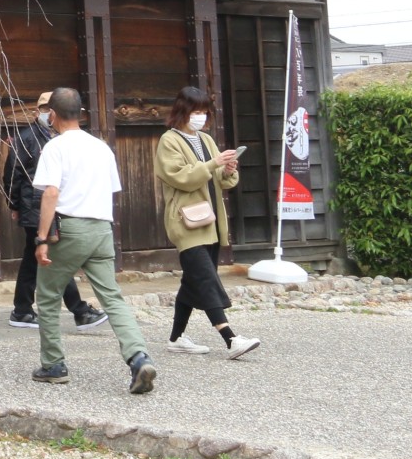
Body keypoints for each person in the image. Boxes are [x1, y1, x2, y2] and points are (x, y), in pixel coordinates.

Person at [29, 87, 157, 394]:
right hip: (102, 229)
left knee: (47, 296)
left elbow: (50, 193)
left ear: (54, 115)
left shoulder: (55, 148)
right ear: (81, 113)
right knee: (112, 297)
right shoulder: (101, 148)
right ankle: (138, 357)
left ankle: (53, 364)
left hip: (70, 229)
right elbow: (111, 189)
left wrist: (42, 238)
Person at [153, 86, 260, 360]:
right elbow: (180, 177)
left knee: (193, 281)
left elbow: (221, 182)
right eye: (196, 111)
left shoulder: (206, 139)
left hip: (210, 220)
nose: (200, 116)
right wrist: (213, 164)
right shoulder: (169, 140)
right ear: (183, 111)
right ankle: (231, 339)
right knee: (205, 278)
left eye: (204, 112)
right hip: (185, 221)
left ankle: (176, 338)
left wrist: (227, 169)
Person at [2, 90, 108, 331]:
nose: (47, 112)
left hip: (56, 208)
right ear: (38, 110)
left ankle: (21, 310)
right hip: (35, 206)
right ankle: (79, 310)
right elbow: (12, 175)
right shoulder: (27, 138)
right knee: (54, 258)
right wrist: (15, 205)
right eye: (42, 107)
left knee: (35, 259)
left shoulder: (64, 138)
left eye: (50, 108)